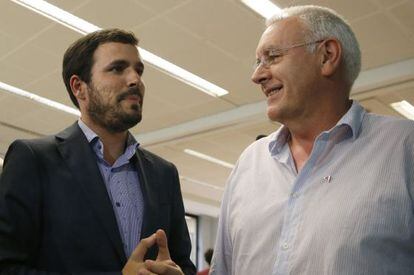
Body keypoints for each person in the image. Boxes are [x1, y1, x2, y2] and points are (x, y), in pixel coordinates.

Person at [210, 5, 414, 275]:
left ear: (326, 56)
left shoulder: (404, 148)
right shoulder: (249, 162)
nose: (257, 75)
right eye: (258, 61)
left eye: (272, 56)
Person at [0, 28, 196, 275]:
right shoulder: (33, 159)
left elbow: (184, 265)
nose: (135, 79)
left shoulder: (164, 174)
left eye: (139, 70)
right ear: (79, 87)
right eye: (117, 68)